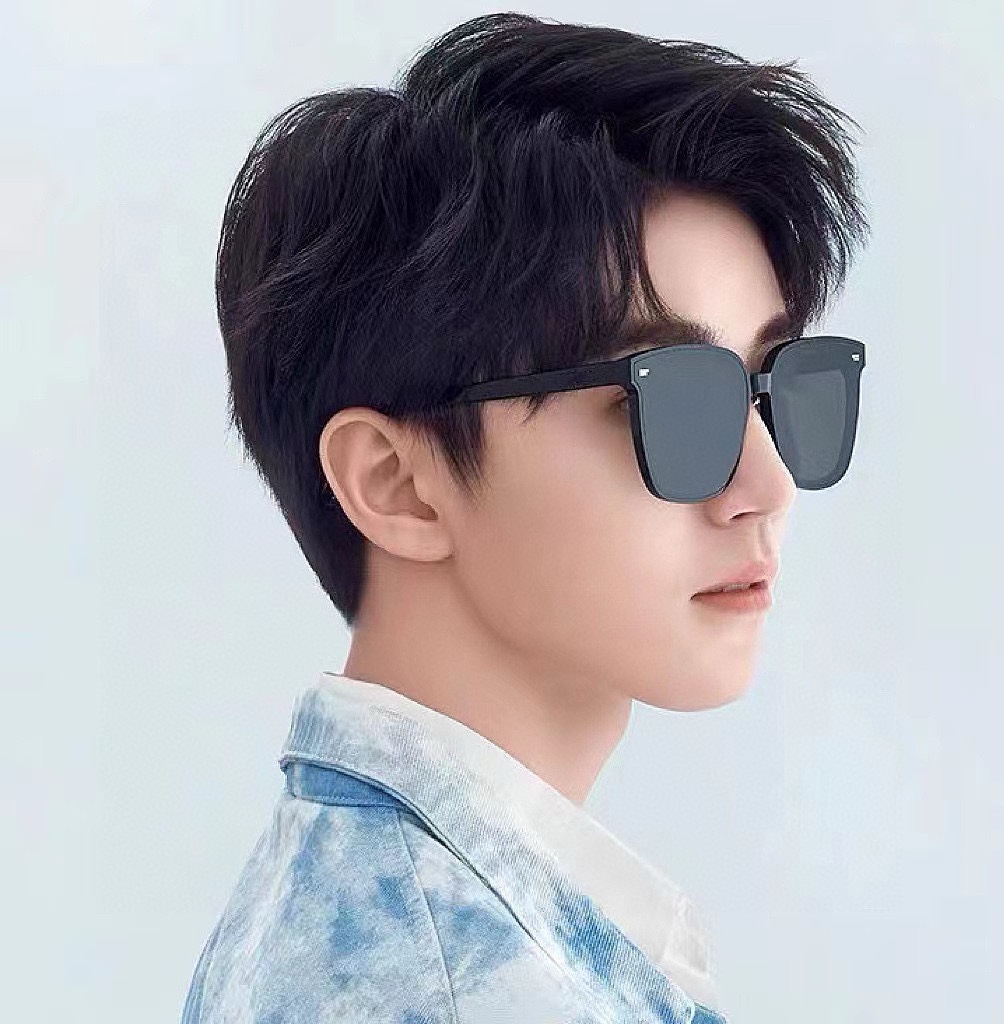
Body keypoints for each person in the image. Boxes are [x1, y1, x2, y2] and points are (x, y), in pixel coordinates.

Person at [181, 12, 870, 1023]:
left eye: (772, 386)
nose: (765, 487)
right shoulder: (455, 987)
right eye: (667, 401)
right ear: (396, 482)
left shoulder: (361, 900)